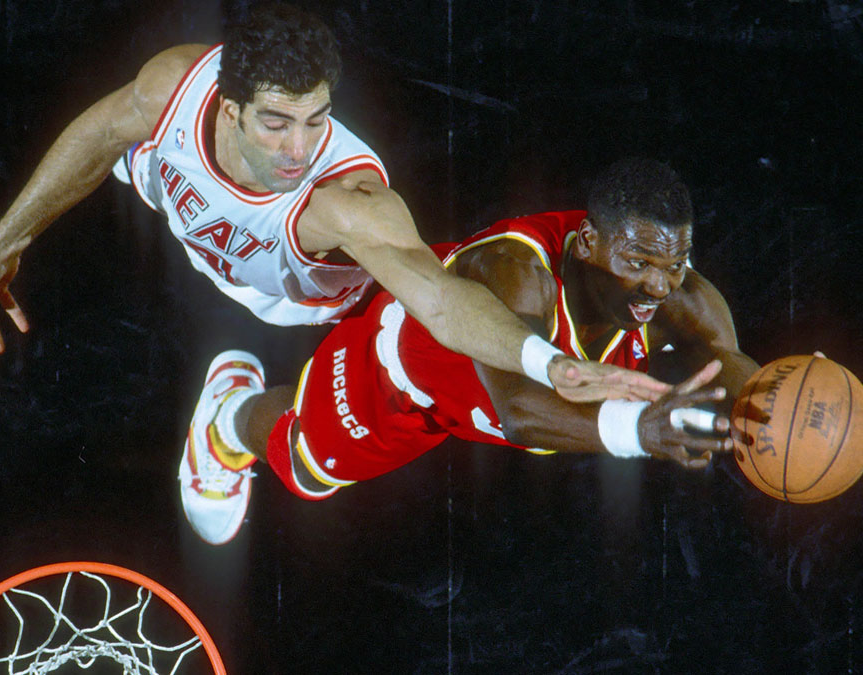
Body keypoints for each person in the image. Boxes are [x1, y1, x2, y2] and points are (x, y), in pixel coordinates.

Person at [0, 3, 663, 403]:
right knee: (121, 146)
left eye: (317, 119)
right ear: (230, 107)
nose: (298, 148)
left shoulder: (347, 200)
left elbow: (437, 299)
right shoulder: (174, 88)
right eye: (276, 122)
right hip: (181, 213)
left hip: (291, 304)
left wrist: (553, 366)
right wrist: (0, 248)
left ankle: (231, 420)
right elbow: (93, 135)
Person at [179, 158, 762, 545]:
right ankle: (226, 418)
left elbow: (730, 364)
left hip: (481, 399)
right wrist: (640, 431)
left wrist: (775, 409)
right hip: (409, 372)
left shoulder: (678, 294)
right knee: (307, 461)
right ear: (588, 243)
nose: (659, 286)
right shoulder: (516, 272)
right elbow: (519, 410)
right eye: (638, 264)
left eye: (675, 263)